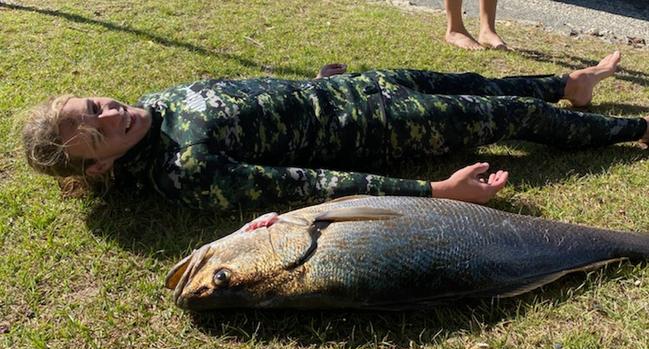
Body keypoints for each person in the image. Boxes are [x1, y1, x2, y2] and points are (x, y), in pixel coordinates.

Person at [22, 51, 648, 212]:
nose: (114, 114)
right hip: (375, 127)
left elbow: (246, 96)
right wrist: (433, 192)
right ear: (100, 167)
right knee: (503, 120)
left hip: (350, 86)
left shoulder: (150, 106)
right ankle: (633, 130)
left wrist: (320, 81)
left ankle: (570, 85)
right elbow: (308, 184)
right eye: (100, 133)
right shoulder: (186, 171)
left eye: (98, 105)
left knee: (477, 83)